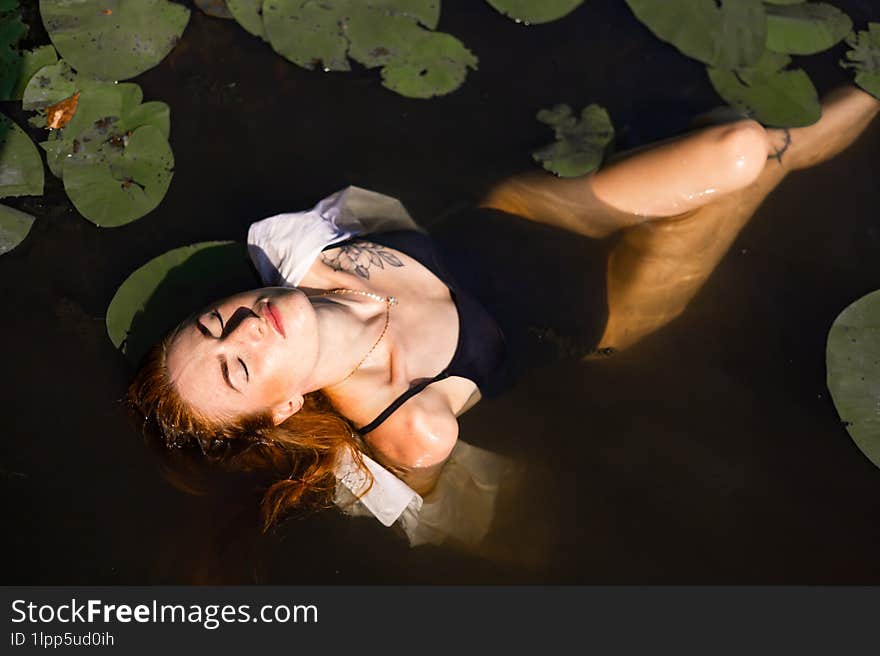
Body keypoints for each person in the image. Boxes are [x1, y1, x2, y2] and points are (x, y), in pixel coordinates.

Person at [129, 85, 880, 532]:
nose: (243, 330)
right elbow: (485, 512)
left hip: (532, 215)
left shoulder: (302, 244)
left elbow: (383, 209)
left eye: (212, 322)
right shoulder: (408, 422)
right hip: (603, 313)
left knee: (739, 146)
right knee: (753, 165)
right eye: (237, 370)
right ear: (285, 404)